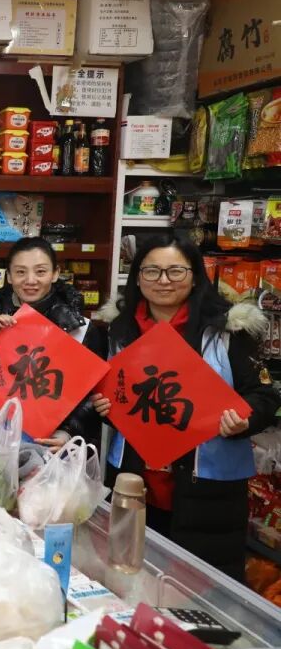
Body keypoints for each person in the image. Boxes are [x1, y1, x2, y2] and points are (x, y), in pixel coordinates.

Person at [92, 233, 280, 581]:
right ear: (138, 278)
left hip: (206, 489)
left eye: (175, 271)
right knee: (130, 581)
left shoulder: (226, 330)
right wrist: (104, 407)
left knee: (198, 589)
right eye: (151, 271)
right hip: (134, 480)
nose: (163, 281)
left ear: (195, 276)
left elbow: (264, 396)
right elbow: (109, 394)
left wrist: (244, 420)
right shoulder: (119, 330)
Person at [0, 237, 107, 449]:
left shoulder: (79, 329)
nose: (30, 280)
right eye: (20, 272)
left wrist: (67, 433)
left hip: (53, 445)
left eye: (40, 271)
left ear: (55, 273)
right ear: (9, 276)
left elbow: (95, 398)